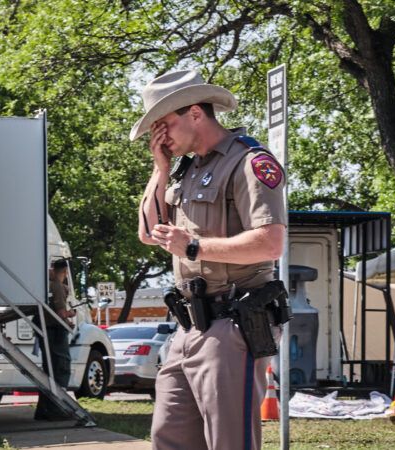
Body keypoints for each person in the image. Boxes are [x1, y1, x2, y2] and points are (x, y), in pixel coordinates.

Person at [132, 69, 287, 450]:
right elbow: (149, 232)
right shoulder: (186, 170)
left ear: (196, 113)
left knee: (229, 442)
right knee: (169, 437)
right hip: (188, 327)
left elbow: (270, 243)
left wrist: (195, 247)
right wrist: (160, 169)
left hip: (232, 323)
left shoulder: (249, 161)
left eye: (165, 124)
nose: (161, 136)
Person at [34, 258, 77, 421]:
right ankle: (57, 409)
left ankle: (43, 410)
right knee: (60, 369)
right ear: (65, 271)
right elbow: (59, 314)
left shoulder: (45, 284)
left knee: (48, 370)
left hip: (45, 327)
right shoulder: (57, 285)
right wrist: (70, 314)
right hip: (55, 331)